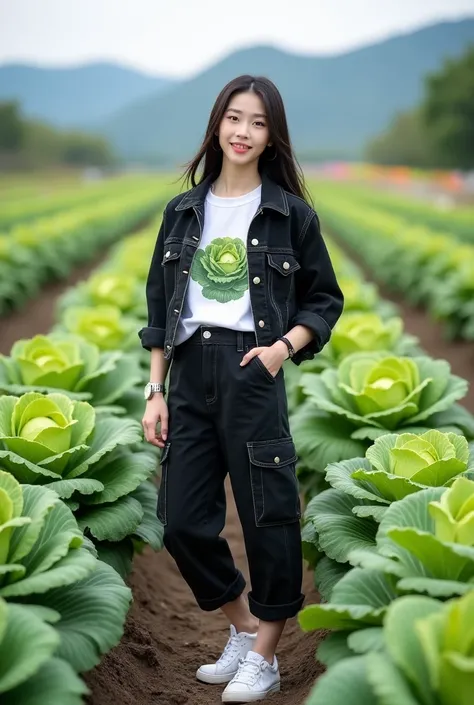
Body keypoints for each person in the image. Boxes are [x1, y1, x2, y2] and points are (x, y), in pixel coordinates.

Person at [139, 74, 344, 703]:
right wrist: (154, 389)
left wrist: (282, 350)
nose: (243, 132)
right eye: (234, 118)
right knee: (181, 521)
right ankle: (242, 626)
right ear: (216, 125)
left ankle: (265, 656)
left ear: (271, 135)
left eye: (257, 122)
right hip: (189, 371)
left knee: (267, 516)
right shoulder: (182, 211)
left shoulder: (290, 214)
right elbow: (157, 305)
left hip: (253, 368)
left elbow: (324, 302)